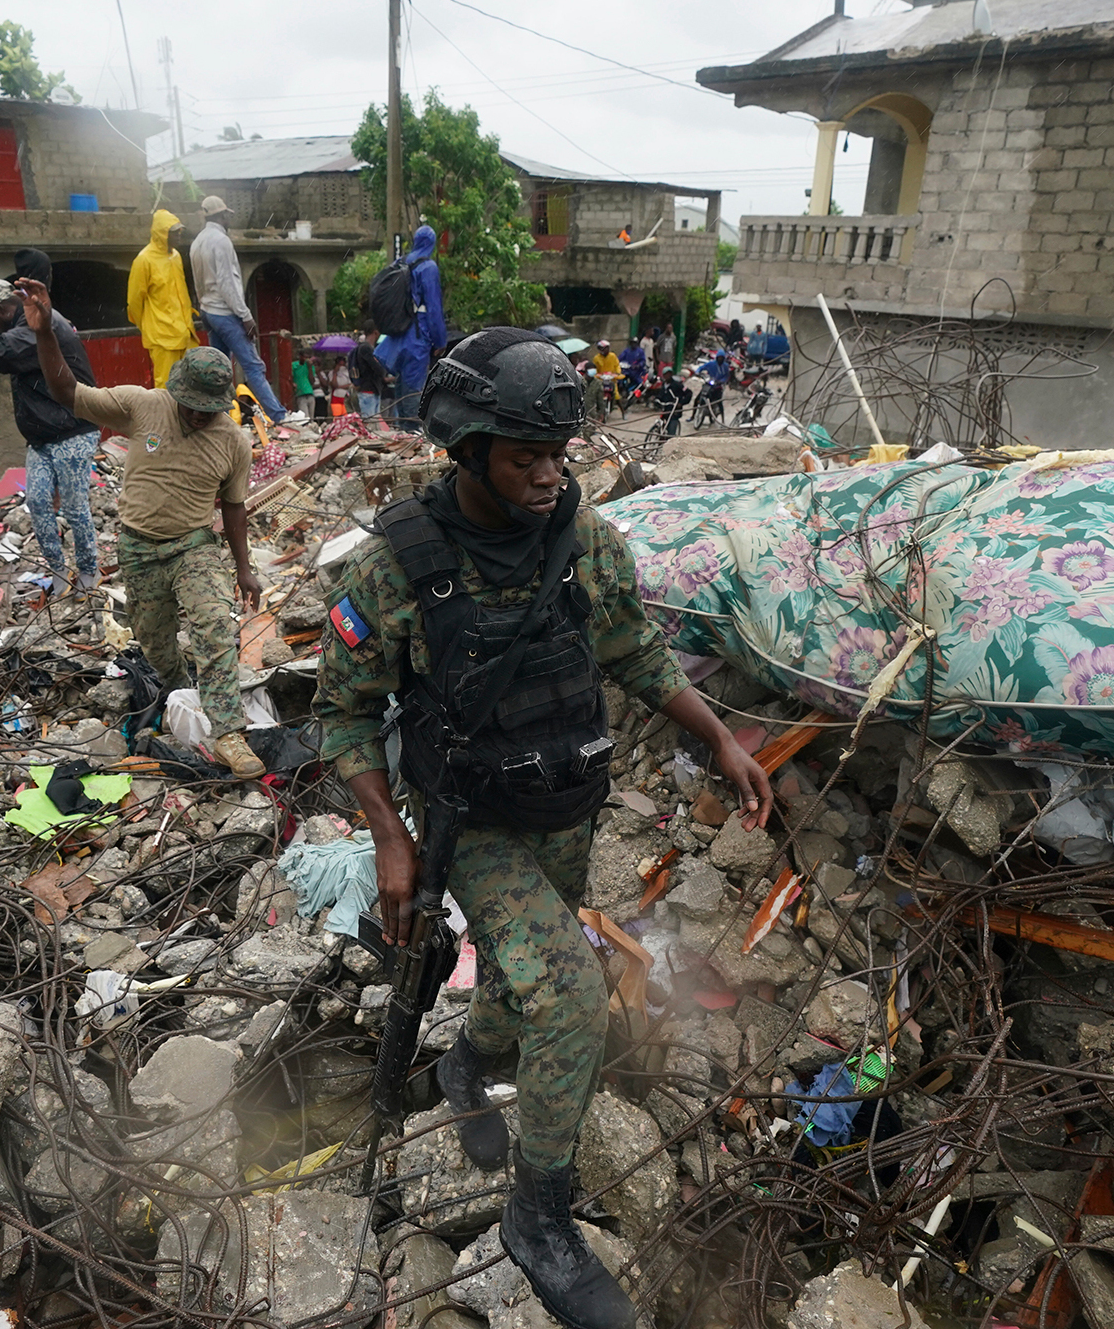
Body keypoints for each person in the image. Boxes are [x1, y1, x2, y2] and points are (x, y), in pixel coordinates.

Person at [315, 328, 772, 1329]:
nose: (545, 475)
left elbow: (634, 650)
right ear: (467, 451)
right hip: (470, 822)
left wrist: (720, 742)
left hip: (566, 803)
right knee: (568, 995)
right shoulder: (395, 565)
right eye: (524, 456)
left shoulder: (582, 535)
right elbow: (341, 713)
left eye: (557, 455)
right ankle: (539, 1216)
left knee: (527, 981)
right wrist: (389, 837)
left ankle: (468, 1060)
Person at [17, 276, 268, 778]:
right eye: (192, 407)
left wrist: (245, 570)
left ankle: (228, 733)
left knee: (215, 626)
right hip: (138, 547)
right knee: (156, 644)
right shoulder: (142, 405)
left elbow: (235, 507)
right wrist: (45, 333)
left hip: (194, 547)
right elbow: (67, 390)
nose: (199, 417)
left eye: (208, 410)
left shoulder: (233, 442)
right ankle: (182, 697)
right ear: (178, 393)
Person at [0, 278, 102, 596]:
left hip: (72, 429)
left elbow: (4, 350)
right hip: (43, 437)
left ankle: (90, 571)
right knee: (37, 502)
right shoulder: (25, 325)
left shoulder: (37, 325)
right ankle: (58, 571)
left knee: (75, 507)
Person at [188, 196, 301, 426]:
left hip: (208, 310)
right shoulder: (221, 241)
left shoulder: (197, 242)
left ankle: (214, 420)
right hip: (224, 311)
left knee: (217, 371)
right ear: (221, 215)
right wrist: (246, 316)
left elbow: (199, 283)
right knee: (253, 366)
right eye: (227, 214)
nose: (230, 218)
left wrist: (204, 308)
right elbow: (227, 283)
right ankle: (280, 417)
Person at [373, 224, 446, 430]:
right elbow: (434, 308)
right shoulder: (428, 267)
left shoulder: (400, 262)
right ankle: (412, 433)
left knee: (402, 384)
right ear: (431, 243)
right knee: (414, 388)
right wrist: (440, 341)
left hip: (398, 332)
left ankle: (403, 431)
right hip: (417, 334)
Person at [128, 209, 199, 389]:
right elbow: (134, 301)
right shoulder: (144, 260)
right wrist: (149, 327)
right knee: (166, 385)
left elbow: (181, 292)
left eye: (179, 232)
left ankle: (184, 418)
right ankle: (166, 418)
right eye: (174, 232)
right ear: (162, 234)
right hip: (162, 336)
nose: (179, 236)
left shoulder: (176, 256)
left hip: (185, 332)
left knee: (190, 383)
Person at [348, 324, 386, 421]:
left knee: (374, 422)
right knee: (370, 423)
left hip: (372, 390)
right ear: (375, 332)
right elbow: (378, 369)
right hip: (368, 390)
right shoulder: (366, 349)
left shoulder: (363, 348)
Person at [655, 368, 692, 436]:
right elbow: (660, 395)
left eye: (669, 374)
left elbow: (689, 393)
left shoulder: (678, 385)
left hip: (674, 411)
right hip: (665, 409)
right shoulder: (663, 385)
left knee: (671, 432)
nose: (667, 376)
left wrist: (681, 403)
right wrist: (657, 400)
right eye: (666, 374)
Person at [290, 350, 315, 421]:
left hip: (310, 393)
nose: (306, 359)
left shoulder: (310, 366)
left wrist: (309, 368)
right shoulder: (294, 365)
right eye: (305, 357)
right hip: (300, 394)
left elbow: (312, 381)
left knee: (311, 418)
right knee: (305, 418)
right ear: (300, 357)